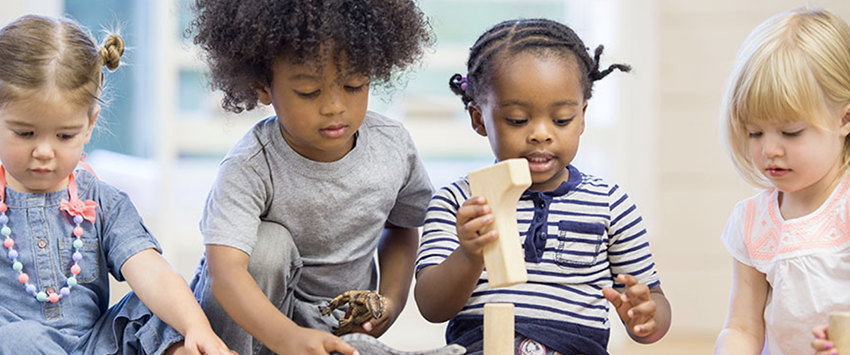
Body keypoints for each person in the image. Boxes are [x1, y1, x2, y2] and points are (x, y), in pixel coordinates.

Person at [185, 0, 434, 354]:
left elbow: (403, 225)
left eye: (353, 85)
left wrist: (390, 302)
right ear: (262, 88)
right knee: (268, 245)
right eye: (309, 92)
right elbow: (225, 274)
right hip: (248, 324)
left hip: (337, 322)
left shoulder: (393, 147)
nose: (334, 106)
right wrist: (286, 337)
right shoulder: (252, 164)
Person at [414, 18, 671, 355]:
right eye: (517, 120)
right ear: (479, 118)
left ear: (582, 117)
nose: (540, 133)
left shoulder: (611, 204)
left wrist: (646, 318)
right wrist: (469, 254)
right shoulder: (459, 202)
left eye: (561, 119)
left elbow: (654, 301)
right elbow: (432, 307)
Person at [0, 14, 235, 355]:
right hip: (16, 345)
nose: (44, 151)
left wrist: (195, 327)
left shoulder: (104, 202)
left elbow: (151, 272)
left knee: (154, 310)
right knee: (16, 339)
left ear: (89, 124)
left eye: (65, 135)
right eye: (25, 133)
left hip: (98, 346)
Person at [713, 7, 850, 355]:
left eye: (790, 132)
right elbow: (742, 326)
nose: (770, 149)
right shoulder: (752, 222)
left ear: (844, 118)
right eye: (755, 132)